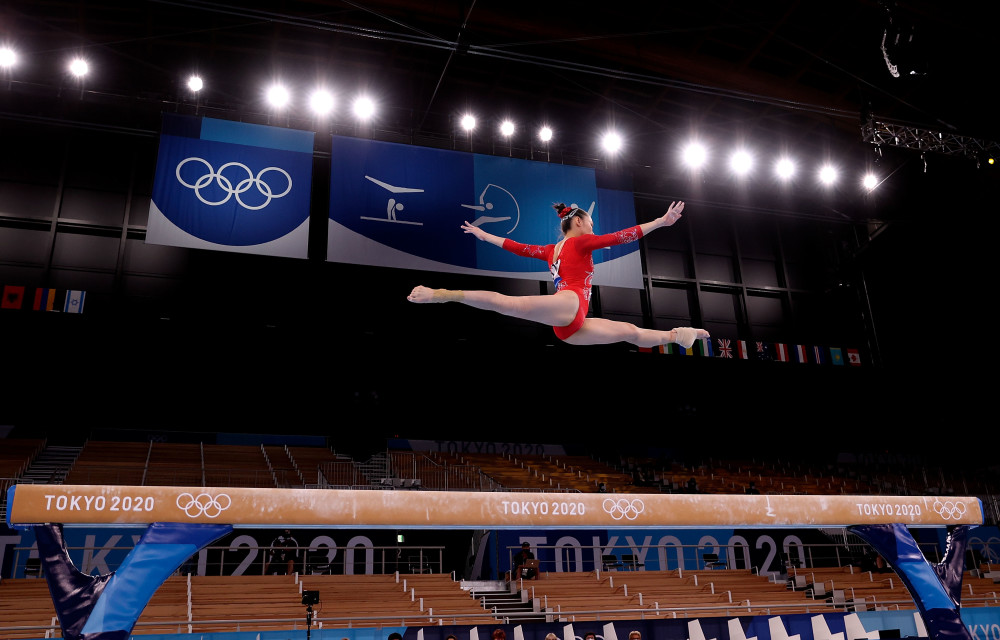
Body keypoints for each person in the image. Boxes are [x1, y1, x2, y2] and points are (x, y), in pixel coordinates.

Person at [407, 201, 709, 349]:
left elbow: (518, 247)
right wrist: (660, 221)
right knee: (507, 304)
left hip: (570, 326)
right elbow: (621, 237)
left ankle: (680, 336)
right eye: (589, 223)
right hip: (571, 304)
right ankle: (443, 294)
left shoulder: (552, 250)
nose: (592, 228)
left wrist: (486, 236)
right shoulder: (580, 241)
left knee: (630, 332)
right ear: (578, 222)